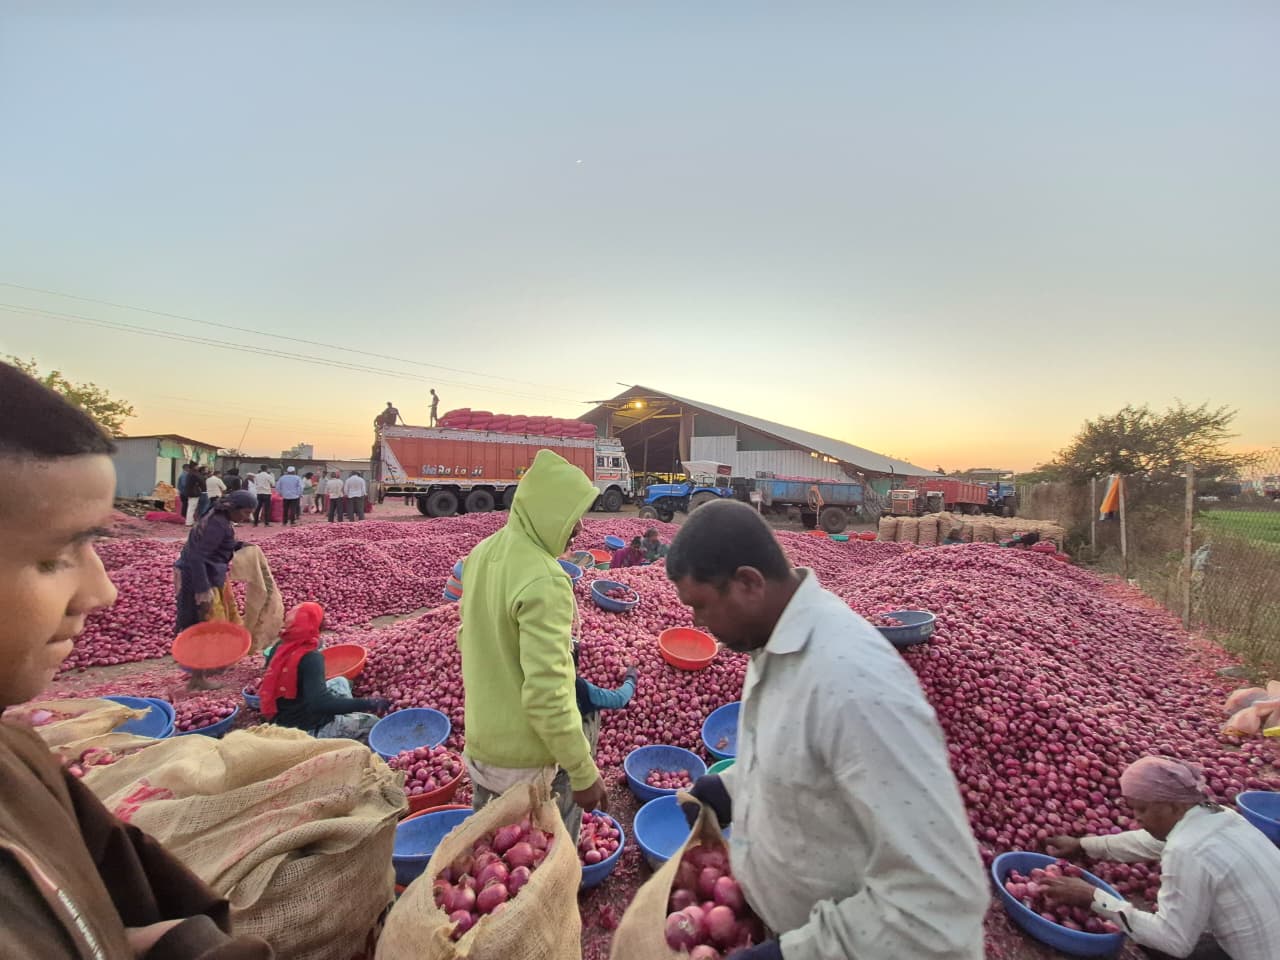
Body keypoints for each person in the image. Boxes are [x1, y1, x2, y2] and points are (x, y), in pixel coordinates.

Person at [0, 363, 273, 958]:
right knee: (199, 627)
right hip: (197, 584)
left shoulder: (19, 762)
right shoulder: (207, 529)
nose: (104, 593)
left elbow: (126, 903)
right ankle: (196, 667)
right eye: (55, 555)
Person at [670, 500, 987, 960]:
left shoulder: (855, 685)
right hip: (787, 923)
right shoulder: (772, 639)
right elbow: (804, 762)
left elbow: (940, 904)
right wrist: (734, 788)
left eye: (701, 605)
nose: (696, 622)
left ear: (748, 583)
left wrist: (794, 955)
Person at [457, 449, 608, 841]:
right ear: (548, 511)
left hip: (483, 745)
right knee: (543, 869)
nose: (577, 529)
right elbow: (546, 692)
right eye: (572, 516)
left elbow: (467, 640)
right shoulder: (546, 578)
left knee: (493, 860)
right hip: (527, 760)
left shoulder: (481, 553)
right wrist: (582, 770)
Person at [1044, 756, 1280, 960]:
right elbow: (1149, 842)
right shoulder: (1219, 815)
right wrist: (1083, 845)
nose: (1137, 818)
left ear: (1174, 806)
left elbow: (1174, 941)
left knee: (1149, 937)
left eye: (1143, 810)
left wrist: (1093, 898)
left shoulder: (1186, 850)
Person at [259, 602, 389, 740]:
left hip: (281, 716)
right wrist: (368, 703)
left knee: (340, 681)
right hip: (306, 729)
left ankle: (345, 714)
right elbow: (321, 703)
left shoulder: (280, 647)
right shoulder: (310, 657)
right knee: (372, 722)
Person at [175, 490, 255, 635]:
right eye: (246, 512)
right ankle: (193, 653)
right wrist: (202, 589)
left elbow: (216, 544)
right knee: (196, 618)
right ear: (233, 508)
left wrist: (238, 545)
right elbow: (196, 556)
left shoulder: (220, 518)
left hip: (209, 571)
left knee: (210, 615)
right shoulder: (216, 523)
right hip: (194, 574)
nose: (247, 517)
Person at [573, 641, 637, 757]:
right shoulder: (578, 686)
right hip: (570, 755)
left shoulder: (533, 679)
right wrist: (631, 679)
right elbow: (618, 699)